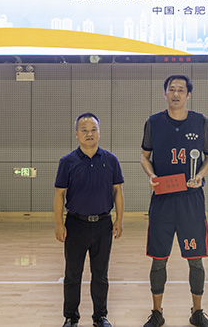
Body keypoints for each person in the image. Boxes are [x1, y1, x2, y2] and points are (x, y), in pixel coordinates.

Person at [140, 75, 208, 327]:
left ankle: (197, 312)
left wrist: (200, 175)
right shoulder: (153, 122)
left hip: (191, 201)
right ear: (165, 93)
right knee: (158, 258)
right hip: (162, 200)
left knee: (196, 259)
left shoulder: (201, 122)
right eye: (171, 89)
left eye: (180, 90)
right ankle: (157, 312)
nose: (175, 94)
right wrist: (151, 175)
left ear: (188, 95)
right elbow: (144, 156)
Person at [54, 113, 124, 327]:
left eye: (93, 129)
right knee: (72, 275)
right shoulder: (67, 162)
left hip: (103, 225)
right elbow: (59, 194)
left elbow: (118, 191)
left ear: (99, 132)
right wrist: (59, 224)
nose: (89, 134)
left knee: (100, 275)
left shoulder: (111, 160)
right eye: (84, 130)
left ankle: (100, 317)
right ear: (76, 134)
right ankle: (71, 317)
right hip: (75, 225)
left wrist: (119, 220)